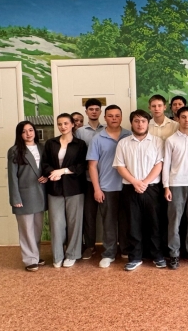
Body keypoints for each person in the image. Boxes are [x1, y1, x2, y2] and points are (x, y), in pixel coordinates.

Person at [113, 109, 165, 271]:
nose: (140, 124)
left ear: (148, 123)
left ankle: (157, 255)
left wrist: (145, 183)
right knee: (133, 224)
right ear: (131, 123)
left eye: (143, 121)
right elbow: (120, 166)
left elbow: (159, 164)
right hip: (130, 188)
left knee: (155, 223)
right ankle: (135, 257)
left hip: (152, 189)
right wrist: (135, 182)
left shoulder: (157, 141)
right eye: (136, 121)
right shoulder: (123, 143)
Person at [87, 105, 132, 268]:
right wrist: (97, 189)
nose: (114, 118)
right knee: (109, 222)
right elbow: (92, 166)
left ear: (121, 117)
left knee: (127, 221)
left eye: (117, 115)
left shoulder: (129, 135)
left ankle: (126, 249)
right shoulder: (97, 138)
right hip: (107, 187)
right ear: (105, 118)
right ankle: (109, 253)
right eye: (110, 116)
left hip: (127, 186)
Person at [42, 113, 88, 268]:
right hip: (54, 188)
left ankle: (72, 254)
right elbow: (45, 163)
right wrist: (52, 173)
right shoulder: (51, 143)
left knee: (75, 223)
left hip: (75, 189)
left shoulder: (80, 144)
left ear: (72, 124)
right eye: (60, 124)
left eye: (66, 123)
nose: (63, 127)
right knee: (56, 223)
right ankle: (57, 256)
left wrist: (62, 171)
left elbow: (82, 166)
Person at [162, 106, 188, 269]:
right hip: (176, 184)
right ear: (177, 119)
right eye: (183, 117)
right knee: (174, 221)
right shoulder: (170, 140)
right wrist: (166, 186)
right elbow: (166, 165)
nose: (187, 120)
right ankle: (174, 254)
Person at [7, 121, 48, 271]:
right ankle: (30, 259)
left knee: (37, 229)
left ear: (35, 132)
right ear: (20, 134)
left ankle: (35, 255)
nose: (28, 134)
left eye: (31, 130)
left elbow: (47, 168)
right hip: (24, 195)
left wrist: (47, 176)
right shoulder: (14, 150)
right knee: (26, 230)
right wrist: (15, 198)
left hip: (40, 194)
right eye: (24, 131)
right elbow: (12, 176)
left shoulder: (42, 148)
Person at [75, 98, 104, 260]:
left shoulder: (106, 129)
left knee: (109, 215)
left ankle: (111, 245)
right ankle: (90, 246)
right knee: (89, 215)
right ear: (86, 112)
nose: (94, 111)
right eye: (91, 109)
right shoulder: (80, 132)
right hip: (87, 179)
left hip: (106, 178)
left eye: (96, 109)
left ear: (100, 111)